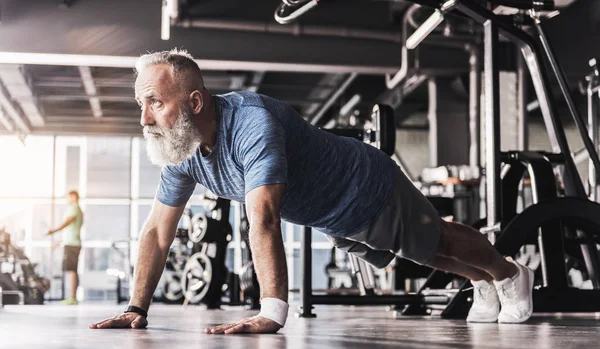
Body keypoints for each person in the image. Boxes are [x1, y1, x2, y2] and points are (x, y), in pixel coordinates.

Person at [90, 49, 534, 333]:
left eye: (155, 103)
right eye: (141, 105)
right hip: (333, 217)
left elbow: (262, 218)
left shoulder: (251, 124)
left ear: (195, 103)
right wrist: (137, 307)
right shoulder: (181, 149)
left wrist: (272, 311)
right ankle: (483, 279)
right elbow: (157, 232)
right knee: (420, 254)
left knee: (436, 238)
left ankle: (510, 274)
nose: (145, 118)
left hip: (366, 184)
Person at [47, 190, 84, 305]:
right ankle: (73, 296)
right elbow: (70, 230)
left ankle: (72, 297)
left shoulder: (74, 208)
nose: (67, 199)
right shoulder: (78, 209)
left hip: (72, 244)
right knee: (73, 270)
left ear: (73, 197)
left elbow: (68, 222)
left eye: (68, 197)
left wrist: (54, 230)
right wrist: (59, 242)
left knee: (71, 270)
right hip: (73, 243)